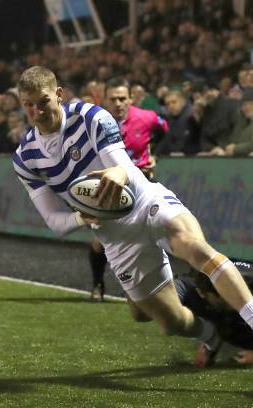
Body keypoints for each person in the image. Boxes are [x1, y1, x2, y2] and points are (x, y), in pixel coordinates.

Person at [12, 66, 253, 361]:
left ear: (58, 94)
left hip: (146, 203)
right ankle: (211, 337)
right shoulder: (26, 158)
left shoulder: (91, 117)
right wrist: (81, 218)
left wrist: (120, 173)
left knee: (196, 249)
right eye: (28, 104)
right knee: (168, 321)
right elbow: (54, 222)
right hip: (116, 238)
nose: (37, 111)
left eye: (43, 101)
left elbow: (127, 171)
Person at [86, 78, 170, 301]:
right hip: (110, 187)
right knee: (99, 243)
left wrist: (155, 154)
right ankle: (98, 283)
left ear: (131, 98)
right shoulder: (93, 124)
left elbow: (166, 131)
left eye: (122, 98)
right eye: (113, 99)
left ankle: (151, 289)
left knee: (152, 234)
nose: (118, 103)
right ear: (104, 100)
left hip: (142, 182)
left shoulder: (147, 117)